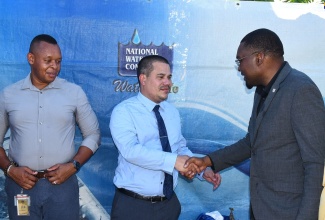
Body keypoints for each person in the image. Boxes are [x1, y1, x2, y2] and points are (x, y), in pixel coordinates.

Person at [185, 28, 325, 219]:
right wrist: (206, 161)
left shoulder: (301, 90)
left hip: (288, 212)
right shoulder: (262, 92)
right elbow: (252, 143)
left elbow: (314, 164)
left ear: (259, 57)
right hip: (261, 209)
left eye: (240, 60)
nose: (239, 68)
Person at [0, 34, 101, 220]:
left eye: (58, 61)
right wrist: (10, 170)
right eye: (48, 61)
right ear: (31, 59)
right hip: (21, 186)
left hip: (62, 187)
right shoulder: (8, 96)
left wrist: (74, 165)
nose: (54, 67)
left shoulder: (74, 93)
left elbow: (93, 134)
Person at [109, 55, 221, 220]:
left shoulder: (171, 112)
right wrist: (174, 161)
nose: (167, 82)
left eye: (169, 77)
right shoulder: (123, 112)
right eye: (160, 77)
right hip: (132, 207)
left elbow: (180, 148)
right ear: (143, 79)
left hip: (168, 206)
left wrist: (201, 170)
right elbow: (131, 151)